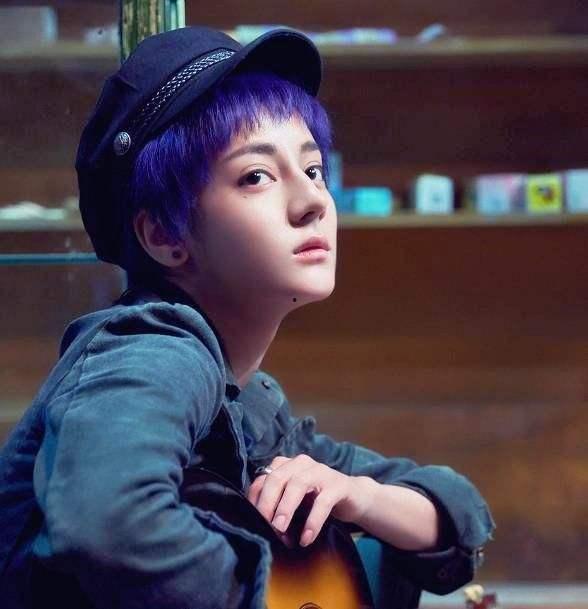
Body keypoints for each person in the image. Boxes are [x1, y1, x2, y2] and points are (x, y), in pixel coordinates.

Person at [0, 25, 495, 609]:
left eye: (313, 170)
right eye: (255, 176)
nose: (312, 202)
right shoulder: (152, 349)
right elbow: (109, 524)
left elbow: (459, 515)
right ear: (164, 236)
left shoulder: (251, 408)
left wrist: (360, 496)